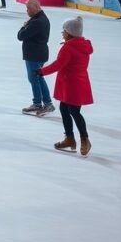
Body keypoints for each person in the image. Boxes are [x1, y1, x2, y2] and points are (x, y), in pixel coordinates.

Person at [38, 17, 94, 156]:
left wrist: (41, 72)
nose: (62, 33)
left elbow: (58, 64)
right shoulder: (82, 45)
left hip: (72, 84)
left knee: (73, 111)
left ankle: (84, 139)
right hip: (76, 82)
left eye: (64, 30)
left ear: (70, 33)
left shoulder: (68, 47)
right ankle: (69, 138)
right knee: (65, 108)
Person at [17, 0, 53, 115]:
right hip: (38, 53)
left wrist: (24, 27)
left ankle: (40, 103)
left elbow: (21, 36)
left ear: (35, 7)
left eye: (28, 8)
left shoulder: (36, 21)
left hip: (34, 54)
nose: (27, 11)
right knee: (38, 78)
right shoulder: (41, 18)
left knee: (34, 78)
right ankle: (45, 103)